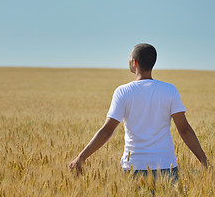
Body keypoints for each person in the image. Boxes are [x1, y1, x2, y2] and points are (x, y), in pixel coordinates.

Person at [69, 43, 207, 180]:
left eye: (129, 57)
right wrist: (203, 159)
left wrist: (81, 157)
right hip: (166, 166)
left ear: (134, 62)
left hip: (133, 167)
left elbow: (107, 130)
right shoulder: (170, 90)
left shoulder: (123, 91)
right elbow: (184, 130)